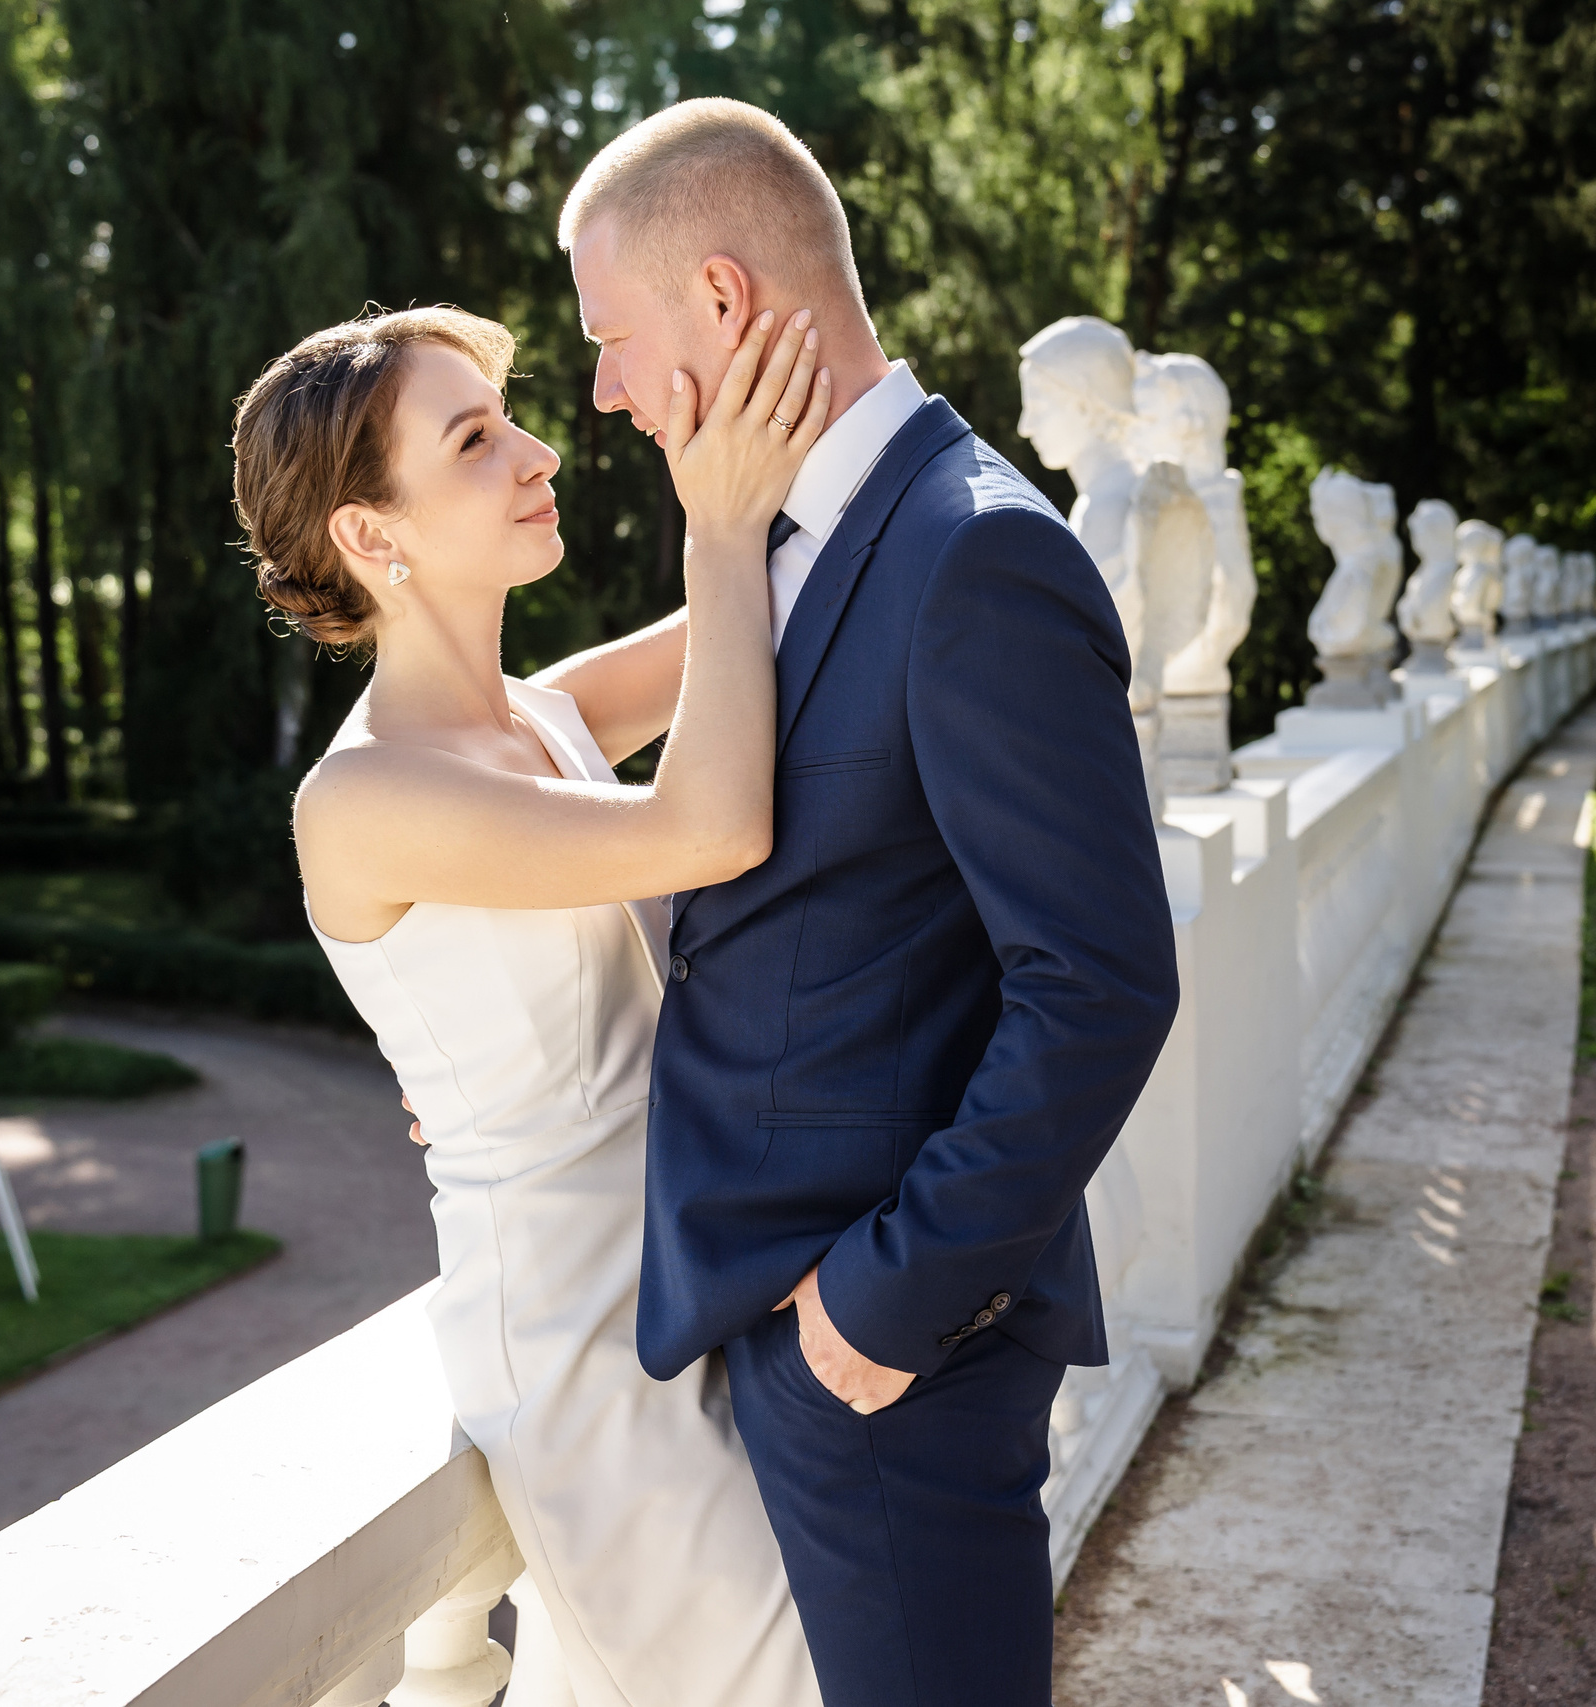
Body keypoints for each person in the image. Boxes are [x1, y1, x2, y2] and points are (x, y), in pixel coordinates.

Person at [563, 99, 1180, 1706]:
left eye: (613, 337)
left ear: (720, 299)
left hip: (895, 1357)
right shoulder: (790, 536)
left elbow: (1102, 982)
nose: (606, 389)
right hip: (801, 1334)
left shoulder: (974, 555)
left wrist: (880, 1309)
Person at [234, 300, 832, 1707]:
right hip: (577, 1331)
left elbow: (788, 604)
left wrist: (751, 407)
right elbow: (711, 827)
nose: (539, 451)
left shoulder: (545, 717)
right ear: (372, 535)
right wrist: (718, 522)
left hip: (707, 1254)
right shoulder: (363, 800)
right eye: (476, 438)